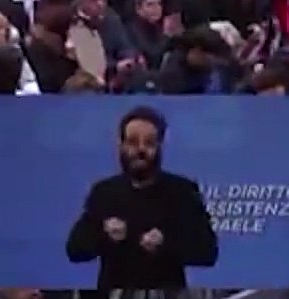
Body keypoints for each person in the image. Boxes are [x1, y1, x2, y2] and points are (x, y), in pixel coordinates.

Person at [66, 105, 219, 289]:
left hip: (165, 296)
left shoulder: (182, 192)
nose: (141, 150)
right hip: (115, 298)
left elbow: (207, 252)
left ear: (160, 146)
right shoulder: (104, 192)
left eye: (149, 143)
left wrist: (166, 243)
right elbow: (75, 250)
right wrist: (103, 233)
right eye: (132, 142)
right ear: (120, 145)